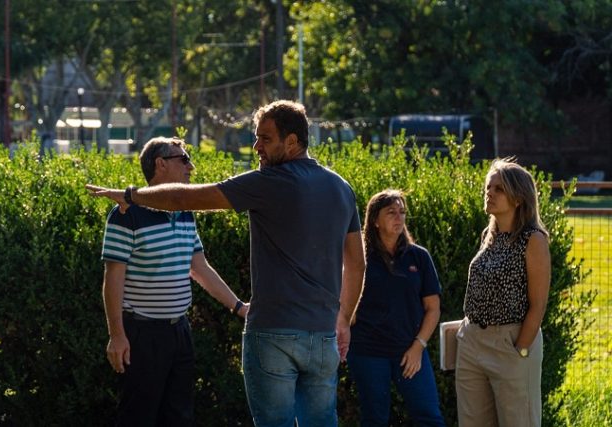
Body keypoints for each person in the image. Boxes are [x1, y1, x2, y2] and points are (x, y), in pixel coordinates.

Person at [87, 100, 366, 427]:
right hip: (323, 334)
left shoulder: (268, 182)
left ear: (292, 142)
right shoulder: (342, 188)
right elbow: (357, 265)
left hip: (273, 332)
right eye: (256, 137)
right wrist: (343, 319)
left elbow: (183, 199)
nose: (256, 146)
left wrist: (130, 195)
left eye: (265, 139)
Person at [100, 137, 248, 426]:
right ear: (161, 164)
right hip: (142, 334)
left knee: (179, 416)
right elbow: (113, 278)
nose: (191, 167)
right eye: (184, 159)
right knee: (138, 417)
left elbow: (200, 268)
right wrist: (117, 335)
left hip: (179, 331)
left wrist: (239, 306)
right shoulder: (125, 215)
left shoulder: (184, 212)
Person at [455, 158, 551, 427]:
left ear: (518, 198)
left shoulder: (533, 239)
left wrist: (521, 350)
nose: (490, 193)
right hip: (472, 343)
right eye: (488, 187)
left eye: (499, 189)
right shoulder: (489, 235)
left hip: (510, 342)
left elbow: (538, 304)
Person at [347, 190, 446, 427]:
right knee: (374, 420)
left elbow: (433, 308)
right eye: (391, 212)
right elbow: (345, 305)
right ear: (375, 220)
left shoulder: (419, 256)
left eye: (402, 212)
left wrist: (418, 347)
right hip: (368, 352)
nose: (399, 218)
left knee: (430, 417)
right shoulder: (360, 258)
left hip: (410, 351)